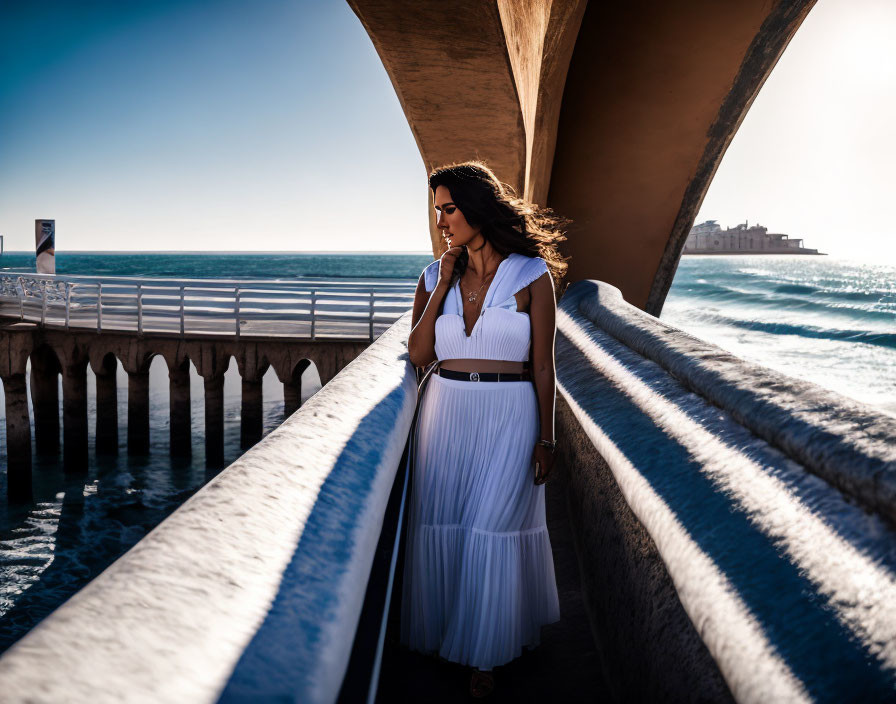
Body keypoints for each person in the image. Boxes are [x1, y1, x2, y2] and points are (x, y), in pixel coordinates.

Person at [403, 160, 570, 698]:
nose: (442, 222)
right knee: (446, 523)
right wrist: (444, 281)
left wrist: (548, 437)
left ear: (476, 208)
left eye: (449, 210)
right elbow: (420, 353)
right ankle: (443, 635)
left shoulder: (530, 275)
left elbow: (543, 365)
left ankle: (485, 656)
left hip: (510, 414)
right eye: (437, 211)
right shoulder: (432, 277)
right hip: (445, 411)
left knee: (492, 528)